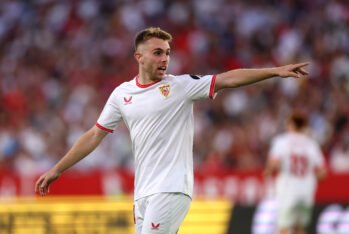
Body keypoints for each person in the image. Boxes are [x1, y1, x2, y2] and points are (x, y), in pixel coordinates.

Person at [35, 27, 309, 234]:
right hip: (142, 193)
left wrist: (275, 71)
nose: (165, 58)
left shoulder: (180, 86)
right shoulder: (122, 94)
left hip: (172, 187)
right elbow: (95, 134)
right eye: (158, 52)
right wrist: (57, 169)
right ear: (138, 57)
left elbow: (227, 79)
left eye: (167, 52)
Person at [265, 112, 327, 234]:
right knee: (300, 227)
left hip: (288, 188)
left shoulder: (282, 141)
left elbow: (273, 164)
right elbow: (323, 172)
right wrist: (309, 178)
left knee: (284, 226)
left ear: (291, 125)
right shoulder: (311, 145)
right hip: (306, 190)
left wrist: (268, 171)